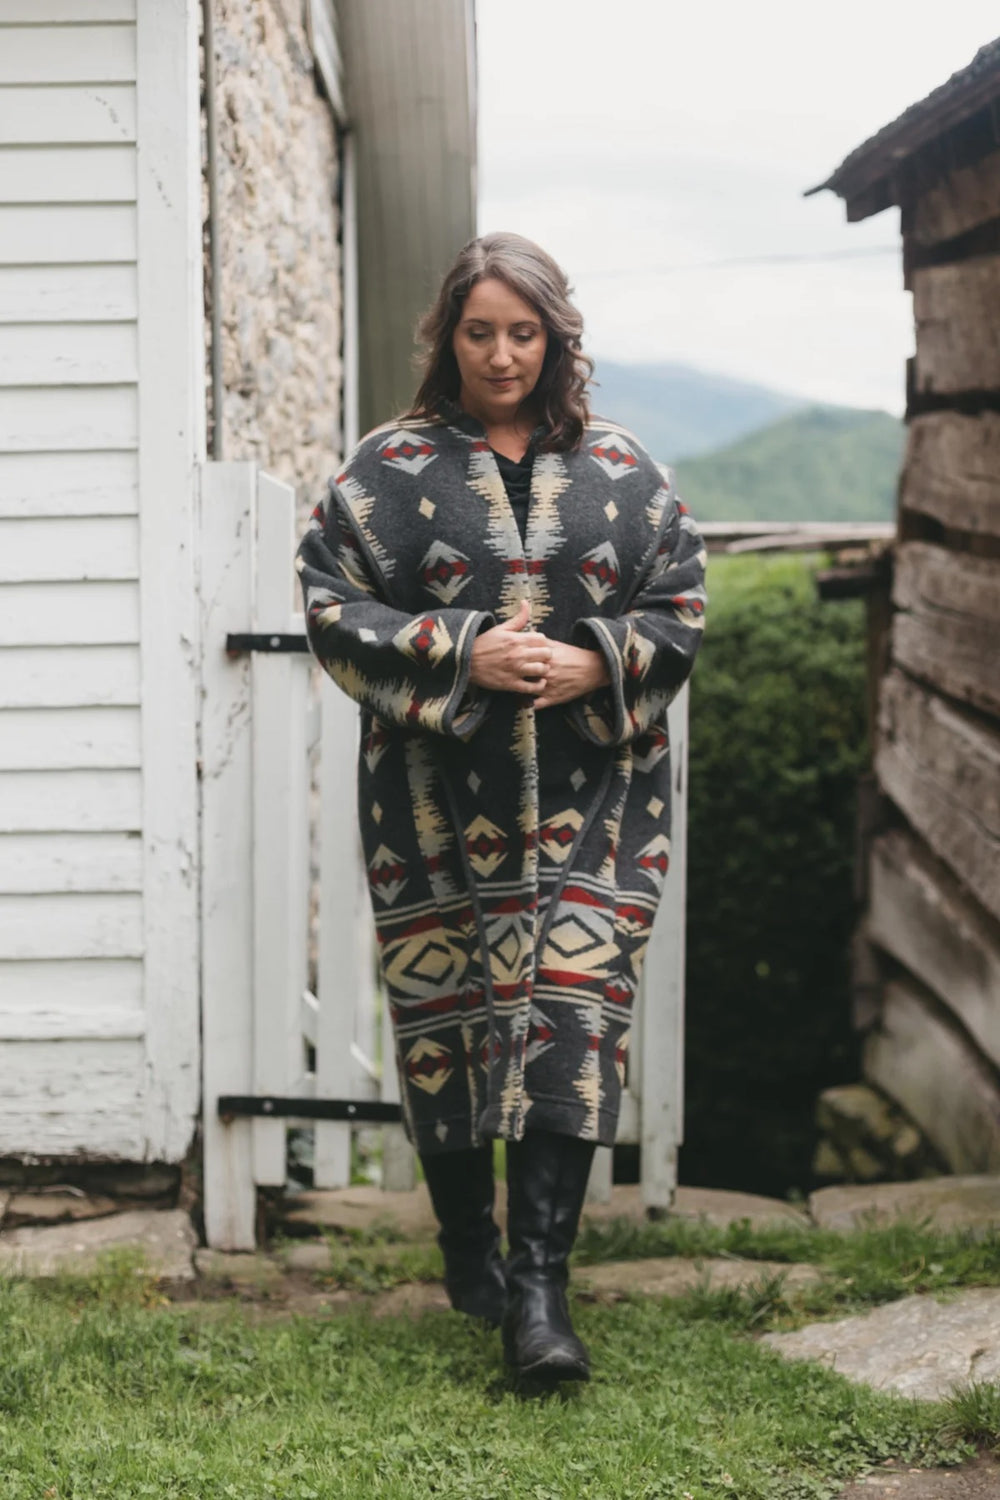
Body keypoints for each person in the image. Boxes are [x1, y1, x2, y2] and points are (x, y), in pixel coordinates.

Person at [296, 231, 706, 1383]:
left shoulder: (627, 472)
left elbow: (680, 601)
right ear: (450, 337)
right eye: (479, 331)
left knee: (572, 1013)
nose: (501, 353)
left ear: (555, 337)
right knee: (449, 1021)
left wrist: (599, 662)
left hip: (599, 798)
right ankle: (465, 1250)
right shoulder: (385, 470)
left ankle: (539, 1295)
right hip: (432, 803)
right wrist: (459, 652)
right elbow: (329, 602)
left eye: (522, 332)